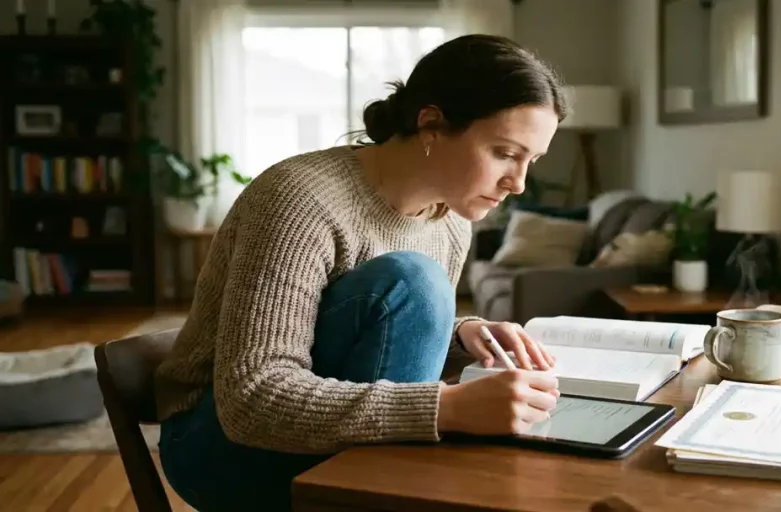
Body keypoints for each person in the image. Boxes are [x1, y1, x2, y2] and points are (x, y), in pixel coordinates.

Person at [152, 33, 570, 511]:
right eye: (504, 153)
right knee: (415, 279)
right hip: (218, 445)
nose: (517, 184)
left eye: (530, 161)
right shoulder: (299, 199)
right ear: (431, 124)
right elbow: (252, 401)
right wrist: (446, 407)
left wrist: (462, 335)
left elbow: (362, 329)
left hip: (341, 441)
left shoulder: (450, 220)